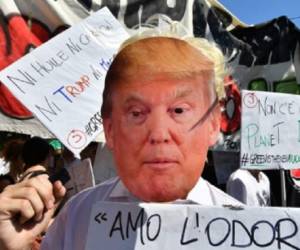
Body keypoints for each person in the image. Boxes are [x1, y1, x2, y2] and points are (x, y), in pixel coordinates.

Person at [0, 25, 241, 250]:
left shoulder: (245, 229)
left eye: (178, 110)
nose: (158, 134)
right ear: (111, 129)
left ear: (212, 125)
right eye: (137, 113)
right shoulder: (77, 214)